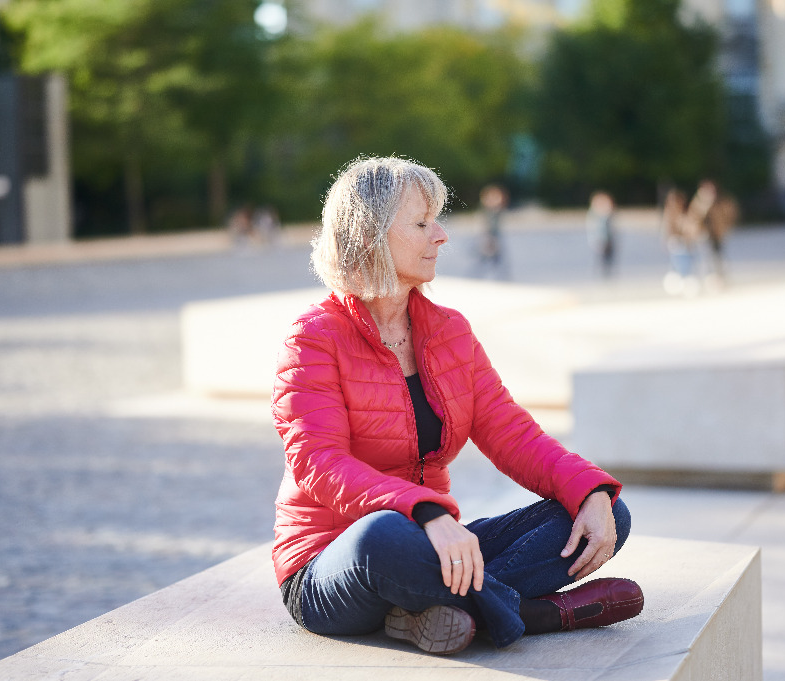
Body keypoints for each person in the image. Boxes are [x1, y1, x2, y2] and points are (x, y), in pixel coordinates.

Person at [272, 157, 642, 655]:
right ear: (371, 235)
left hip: (434, 543)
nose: (442, 235)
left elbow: (513, 434)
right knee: (381, 536)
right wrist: (423, 511)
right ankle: (534, 614)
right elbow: (318, 462)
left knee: (605, 513)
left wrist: (589, 491)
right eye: (422, 223)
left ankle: (437, 611)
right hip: (334, 562)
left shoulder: (450, 332)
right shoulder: (313, 339)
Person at [586, 191, 616, 277]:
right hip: (600, 240)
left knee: (607, 258)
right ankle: (600, 273)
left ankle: (606, 273)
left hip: (608, 240)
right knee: (600, 258)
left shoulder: (607, 215)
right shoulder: (596, 215)